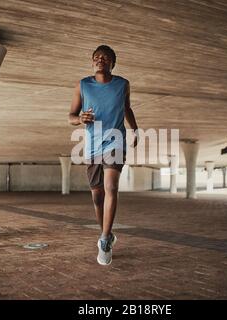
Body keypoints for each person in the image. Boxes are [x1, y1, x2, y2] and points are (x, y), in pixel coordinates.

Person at [69, 45, 139, 265]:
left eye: (105, 57)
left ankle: (105, 240)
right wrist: (80, 119)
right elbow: (71, 115)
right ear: (92, 62)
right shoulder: (83, 85)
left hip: (115, 141)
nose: (101, 59)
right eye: (97, 57)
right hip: (91, 146)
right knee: (97, 197)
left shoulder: (122, 84)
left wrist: (135, 128)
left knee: (111, 187)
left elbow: (126, 108)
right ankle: (105, 234)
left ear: (112, 63)